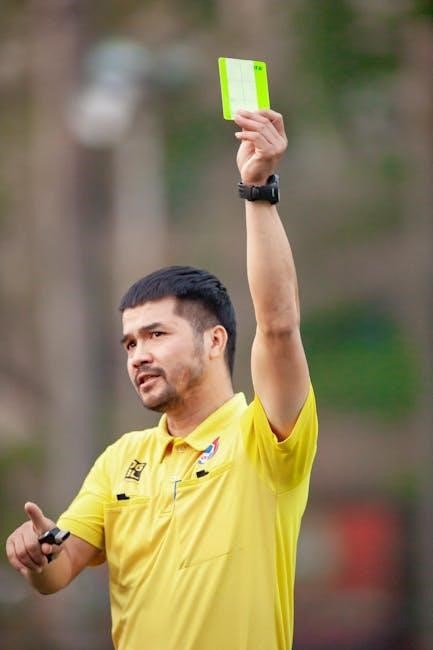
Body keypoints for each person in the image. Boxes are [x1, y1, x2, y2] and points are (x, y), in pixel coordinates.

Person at [6, 109, 318, 650]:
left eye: (155, 335)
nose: (138, 355)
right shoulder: (120, 460)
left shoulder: (264, 438)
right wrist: (37, 554)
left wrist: (258, 191)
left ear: (214, 340)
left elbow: (278, 325)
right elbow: (59, 570)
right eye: (130, 343)